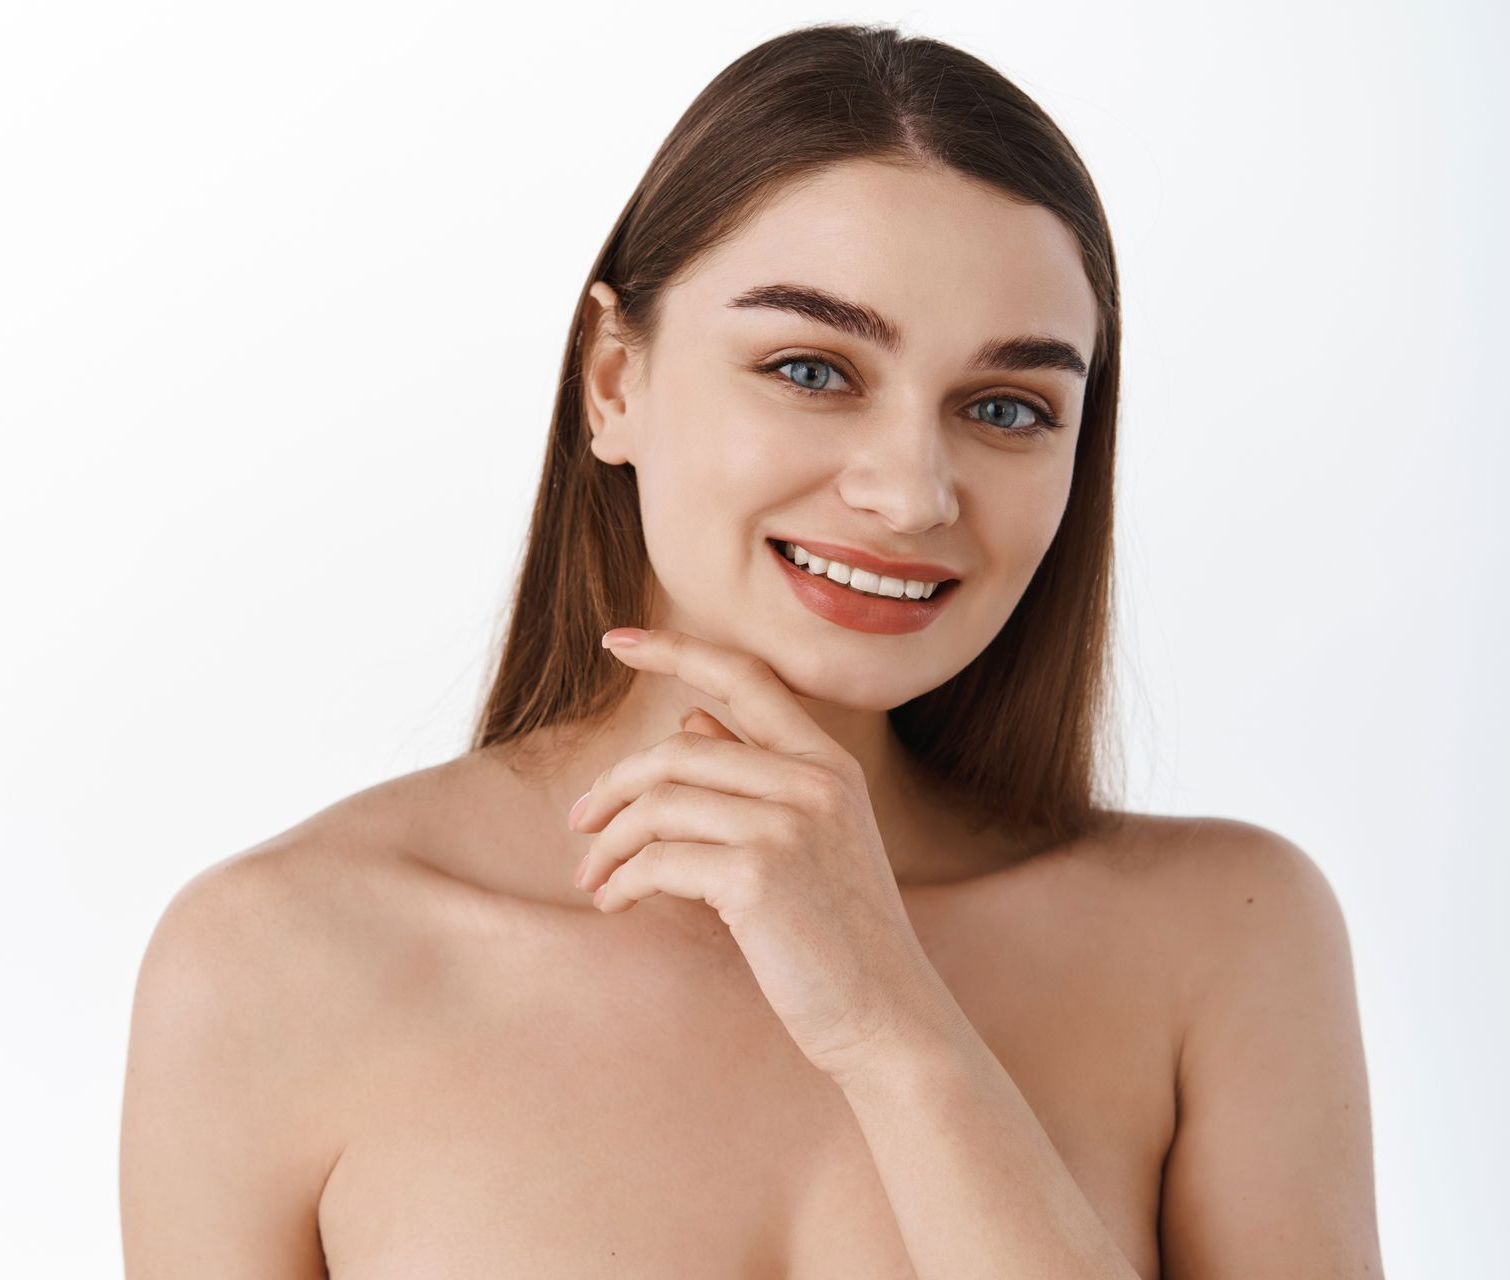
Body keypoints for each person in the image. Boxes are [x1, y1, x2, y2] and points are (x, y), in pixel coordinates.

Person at [119, 21, 1384, 1278]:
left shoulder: (1225, 942)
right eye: (810, 367)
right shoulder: (274, 963)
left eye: (1007, 406)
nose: (910, 492)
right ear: (613, 379)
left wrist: (894, 1025)